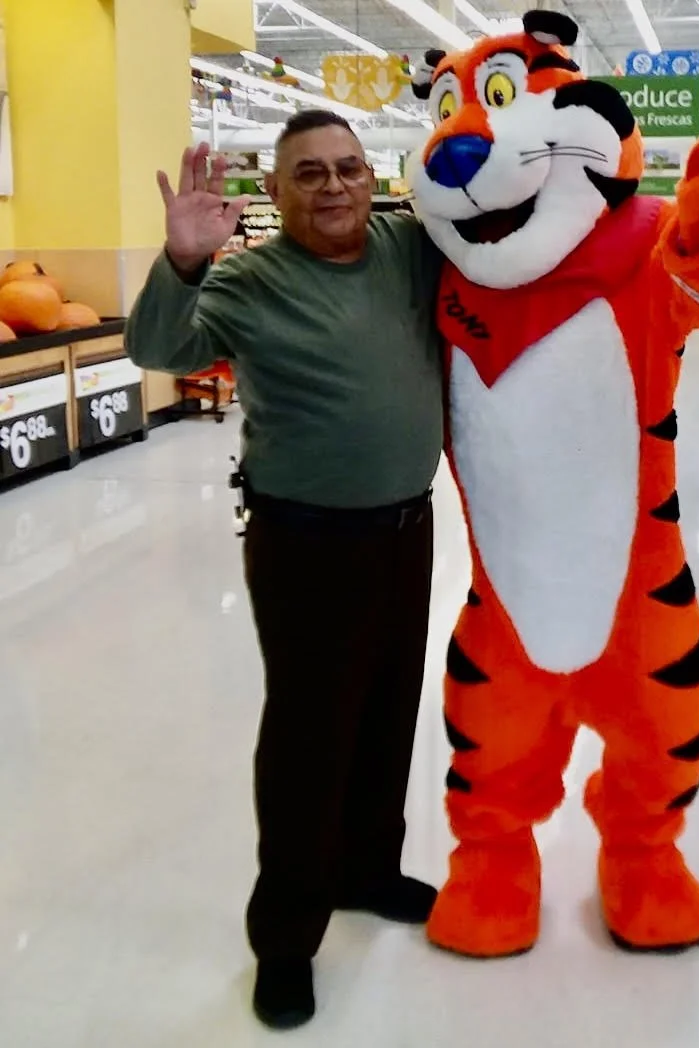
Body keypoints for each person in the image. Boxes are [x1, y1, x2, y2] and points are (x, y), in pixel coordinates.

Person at [124, 111, 443, 1031]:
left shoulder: (406, 248)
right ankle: (287, 938)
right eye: (309, 173)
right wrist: (183, 262)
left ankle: (367, 870)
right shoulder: (249, 280)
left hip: (407, 527)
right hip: (307, 543)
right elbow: (160, 350)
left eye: (349, 168)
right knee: (311, 738)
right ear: (273, 190)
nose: (334, 185)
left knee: (389, 710)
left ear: (371, 178)